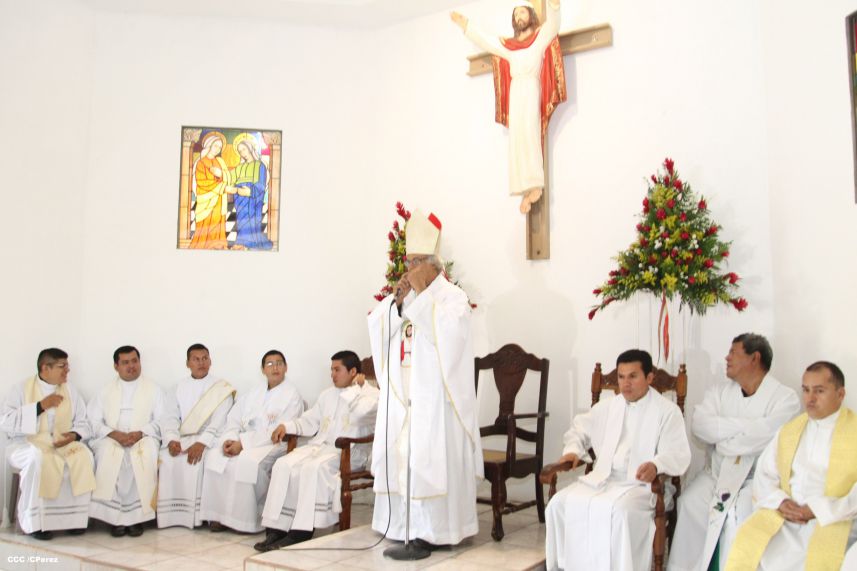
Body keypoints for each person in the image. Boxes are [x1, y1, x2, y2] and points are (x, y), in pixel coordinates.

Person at [367, 210, 483, 547]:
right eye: (409, 261)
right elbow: (378, 326)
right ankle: (400, 528)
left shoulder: (453, 298)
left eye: (417, 262)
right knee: (402, 455)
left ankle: (433, 531)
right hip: (404, 395)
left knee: (426, 459)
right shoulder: (409, 296)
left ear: (435, 264)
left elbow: (450, 336)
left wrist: (420, 300)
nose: (411, 269)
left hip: (436, 400)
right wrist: (396, 303)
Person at [545, 349, 691, 571]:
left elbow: (678, 453)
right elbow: (578, 430)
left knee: (619, 512)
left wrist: (656, 465)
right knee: (558, 504)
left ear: (649, 377)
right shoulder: (606, 407)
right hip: (603, 479)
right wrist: (573, 450)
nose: (625, 384)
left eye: (633, 376)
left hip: (643, 486)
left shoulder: (667, 411)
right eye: (621, 377)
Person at [669, 334, 801, 571]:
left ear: (755, 358)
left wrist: (723, 438)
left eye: (733, 352)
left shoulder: (785, 397)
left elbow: (768, 437)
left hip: (756, 479)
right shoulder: (720, 391)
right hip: (717, 474)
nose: (726, 358)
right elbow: (700, 426)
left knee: (739, 515)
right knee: (689, 502)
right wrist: (746, 425)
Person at [725, 361, 857, 570]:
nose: (810, 399)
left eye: (819, 391)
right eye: (805, 390)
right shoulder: (790, 431)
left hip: (832, 519)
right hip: (787, 517)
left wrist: (816, 510)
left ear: (840, 394)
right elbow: (765, 475)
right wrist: (781, 502)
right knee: (748, 542)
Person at [255, 350, 379, 551]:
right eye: (331, 369)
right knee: (283, 464)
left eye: (337, 370)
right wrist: (287, 426)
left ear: (353, 371)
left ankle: (301, 533)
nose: (332, 374)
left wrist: (359, 387)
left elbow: (366, 414)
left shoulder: (369, 394)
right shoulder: (327, 395)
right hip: (321, 447)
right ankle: (276, 530)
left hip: (349, 452)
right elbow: (310, 420)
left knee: (312, 469)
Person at [451, 0, 565, 214]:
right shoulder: (508, 48)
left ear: (531, 16)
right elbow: (487, 42)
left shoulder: (538, 40)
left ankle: (535, 183)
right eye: (516, 14)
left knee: (530, 133)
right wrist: (466, 25)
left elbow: (553, 27)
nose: (519, 17)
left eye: (523, 12)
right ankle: (523, 188)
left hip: (530, 87)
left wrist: (554, 6)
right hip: (515, 91)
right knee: (518, 138)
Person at [199, 349, 303, 533]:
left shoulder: (292, 394)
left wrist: (243, 444)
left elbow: (278, 430)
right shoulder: (254, 392)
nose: (275, 367)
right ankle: (219, 516)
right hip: (245, 441)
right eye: (270, 364)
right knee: (214, 457)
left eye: (279, 363)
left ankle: (244, 521)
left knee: (245, 463)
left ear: (286, 367)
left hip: (273, 445)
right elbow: (234, 418)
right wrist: (230, 439)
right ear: (263, 369)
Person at [0, 348, 95, 539]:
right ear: (45, 368)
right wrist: (40, 406)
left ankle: (74, 521)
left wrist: (73, 435)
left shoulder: (70, 391)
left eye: (67, 366)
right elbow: (5, 420)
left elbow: (83, 421)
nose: (67, 371)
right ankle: (35, 524)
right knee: (38, 458)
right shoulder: (20, 389)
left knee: (84, 455)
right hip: (24, 444)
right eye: (62, 367)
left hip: (61, 442)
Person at [88, 346, 170, 537]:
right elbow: (92, 421)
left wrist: (141, 433)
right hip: (112, 438)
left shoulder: (154, 389)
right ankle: (114, 519)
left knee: (145, 453)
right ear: (116, 366)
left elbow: (163, 420)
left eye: (135, 361)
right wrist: (113, 433)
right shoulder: (104, 391)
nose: (131, 366)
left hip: (142, 437)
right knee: (107, 454)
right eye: (125, 362)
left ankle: (137, 519)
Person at [157, 343, 235, 529]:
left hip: (211, 438)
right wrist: (171, 440)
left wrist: (202, 443)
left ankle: (208, 516)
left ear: (210, 361)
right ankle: (174, 517)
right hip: (182, 437)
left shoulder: (222, 388)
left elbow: (220, 420)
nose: (201, 363)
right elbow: (169, 417)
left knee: (208, 460)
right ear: (187, 363)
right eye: (196, 359)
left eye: (204, 358)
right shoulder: (177, 387)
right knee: (167, 459)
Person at [190, 131, 234, 249]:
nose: (217, 149)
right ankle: (204, 245)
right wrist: (221, 186)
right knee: (206, 223)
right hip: (206, 198)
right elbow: (201, 182)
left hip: (219, 199)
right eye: (215, 146)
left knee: (218, 222)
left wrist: (220, 173)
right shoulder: (201, 163)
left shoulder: (220, 161)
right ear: (209, 145)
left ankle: (218, 245)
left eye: (219, 147)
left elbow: (228, 177)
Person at [231, 133, 273, 250]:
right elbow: (229, 178)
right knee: (241, 221)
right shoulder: (239, 167)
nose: (242, 152)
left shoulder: (260, 165)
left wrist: (246, 191)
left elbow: (260, 187)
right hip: (240, 200)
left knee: (251, 221)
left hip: (253, 200)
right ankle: (242, 242)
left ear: (250, 148)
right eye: (239, 151)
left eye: (244, 149)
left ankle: (251, 242)